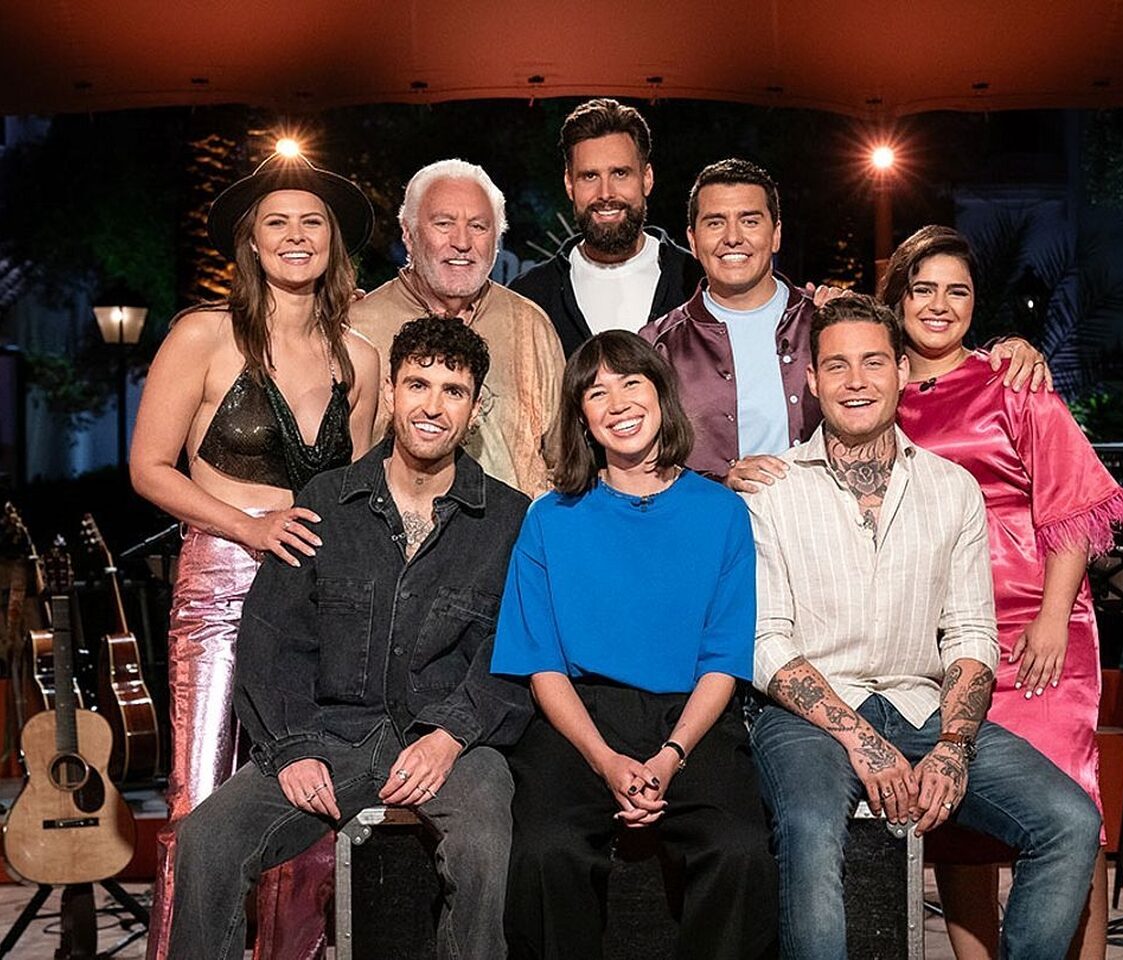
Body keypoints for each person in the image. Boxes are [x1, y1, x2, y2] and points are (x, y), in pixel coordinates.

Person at [746, 294, 1102, 960]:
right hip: (807, 714)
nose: (856, 381)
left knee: (1070, 821)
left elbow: (970, 634)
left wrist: (954, 745)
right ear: (812, 380)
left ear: (902, 372)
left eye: (873, 362)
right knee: (811, 827)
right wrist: (861, 739)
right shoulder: (769, 489)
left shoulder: (952, 488)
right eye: (837, 366)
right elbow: (766, 644)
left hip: (921, 706)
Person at [168, 316, 532, 960]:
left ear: (475, 409)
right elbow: (273, 639)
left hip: (452, 741)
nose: (433, 406)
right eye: (417, 384)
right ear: (390, 392)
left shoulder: (509, 518)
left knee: (483, 846)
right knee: (207, 839)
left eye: (453, 391)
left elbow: (514, 653)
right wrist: (294, 748)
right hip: (332, 735)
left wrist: (450, 736)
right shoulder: (327, 501)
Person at [131, 148, 381, 960]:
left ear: (334, 242)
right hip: (221, 583)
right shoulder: (203, 335)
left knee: (307, 806)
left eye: (312, 222)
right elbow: (149, 467)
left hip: (315, 596)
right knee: (199, 801)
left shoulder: (359, 357)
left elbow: (356, 495)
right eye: (278, 222)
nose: (296, 235)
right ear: (252, 241)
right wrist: (247, 527)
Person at [886, 226, 1123, 960]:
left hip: (1036, 628)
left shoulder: (1013, 383)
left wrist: (1054, 619)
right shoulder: (875, 391)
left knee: (1069, 810)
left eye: (957, 291)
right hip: (939, 638)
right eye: (923, 289)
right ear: (897, 298)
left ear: (977, 304)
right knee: (958, 813)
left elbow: (1076, 507)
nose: (939, 304)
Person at [492, 331, 776, 960]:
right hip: (580, 718)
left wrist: (670, 757)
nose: (617, 403)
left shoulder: (722, 512)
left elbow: (723, 662)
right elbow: (542, 666)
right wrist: (604, 760)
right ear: (582, 417)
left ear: (660, 394)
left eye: (631, 383)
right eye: (596, 392)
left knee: (738, 851)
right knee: (548, 849)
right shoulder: (549, 518)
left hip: (692, 719)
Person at [639, 158, 1051, 487]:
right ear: (692, 240)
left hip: (828, 546)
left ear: (776, 233)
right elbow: (641, 465)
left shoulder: (830, 321)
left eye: (750, 220)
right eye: (715, 222)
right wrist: (720, 483)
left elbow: (923, 359)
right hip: (711, 548)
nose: (733, 237)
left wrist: (1009, 348)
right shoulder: (657, 345)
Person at [350, 158, 563, 496]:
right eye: (444, 223)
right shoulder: (357, 328)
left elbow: (563, 461)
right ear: (408, 233)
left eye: (478, 226)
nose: (462, 242)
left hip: (516, 528)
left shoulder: (530, 324)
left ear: (497, 238)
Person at [510, 98, 702, 355]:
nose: (605, 193)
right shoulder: (530, 297)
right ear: (569, 184)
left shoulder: (697, 283)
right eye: (590, 176)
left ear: (647, 178)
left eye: (620, 174)